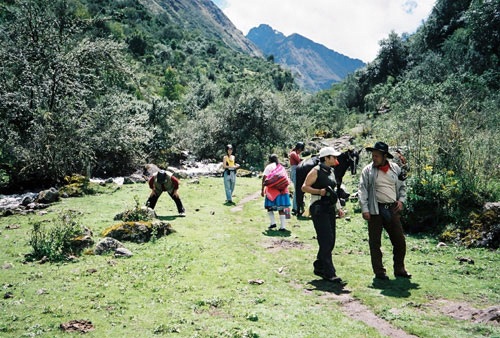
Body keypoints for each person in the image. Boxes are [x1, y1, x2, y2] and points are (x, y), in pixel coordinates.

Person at [358, 141, 411, 280]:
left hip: (392, 208)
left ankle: (399, 269)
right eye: (373, 155)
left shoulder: (395, 169)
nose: (373, 158)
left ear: (384, 156)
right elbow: (362, 191)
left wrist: (401, 201)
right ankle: (379, 272)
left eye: (376, 156)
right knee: (375, 243)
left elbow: (402, 187)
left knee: (399, 241)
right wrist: (365, 209)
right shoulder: (367, 171)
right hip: (375, 210)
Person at [302, 147, 345, 283]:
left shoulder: (331, 171)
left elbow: (333, 191)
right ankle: (329, 272)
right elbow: (304, 187)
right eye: (333, 157)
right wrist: (318, 191)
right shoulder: (315, 171)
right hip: (319, 208)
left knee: (331, 240)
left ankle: (319, 265)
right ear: (326, 158)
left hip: (330, 208)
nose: (336, 159)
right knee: (326, 239)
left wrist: (339, 207)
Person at [261, 154, 291, 231]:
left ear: (269, 160)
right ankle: (283, 226)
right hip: (282, 191)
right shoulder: (281, 167)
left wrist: (262, 189)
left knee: (269, 208)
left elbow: (264, 178)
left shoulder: (269, 167)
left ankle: (273, 223)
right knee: (281, 209)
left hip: (272, 191)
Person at [289, 142, 305, 215]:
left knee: (298, 189)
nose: (300, 152)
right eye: (300, 150)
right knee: (297, 190)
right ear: (298, 148)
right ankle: (295, 207)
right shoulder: (293, 153)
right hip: (294, 170)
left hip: (296, 170)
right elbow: (299, 161)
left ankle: (299, 205)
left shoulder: (296, 154)